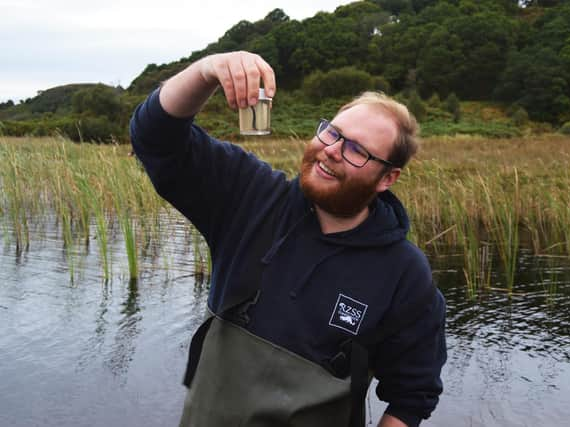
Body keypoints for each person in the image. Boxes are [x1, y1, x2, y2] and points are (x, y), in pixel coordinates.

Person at [130, 51, 446, 427]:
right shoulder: (249, 196)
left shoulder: (404, 273)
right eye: (333, 132)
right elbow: (155, 137)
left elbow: (411, 396)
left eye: (357, 150)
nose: (332, 149)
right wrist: (206, 70)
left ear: (387, 179)